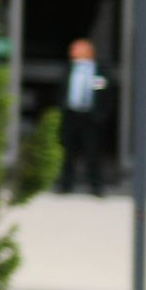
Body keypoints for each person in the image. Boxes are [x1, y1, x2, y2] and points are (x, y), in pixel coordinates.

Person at [58, 37, 115, 194]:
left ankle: (96, 185)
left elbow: (106, 94)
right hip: (71, 115)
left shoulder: (100, 71)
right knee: (68, 152)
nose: (72, 52)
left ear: (88, 51)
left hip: (91, 118)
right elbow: (61, 91)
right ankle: (65, 184)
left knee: (93, 152)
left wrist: (102, 114)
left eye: (76, 48)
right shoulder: (69, 68)